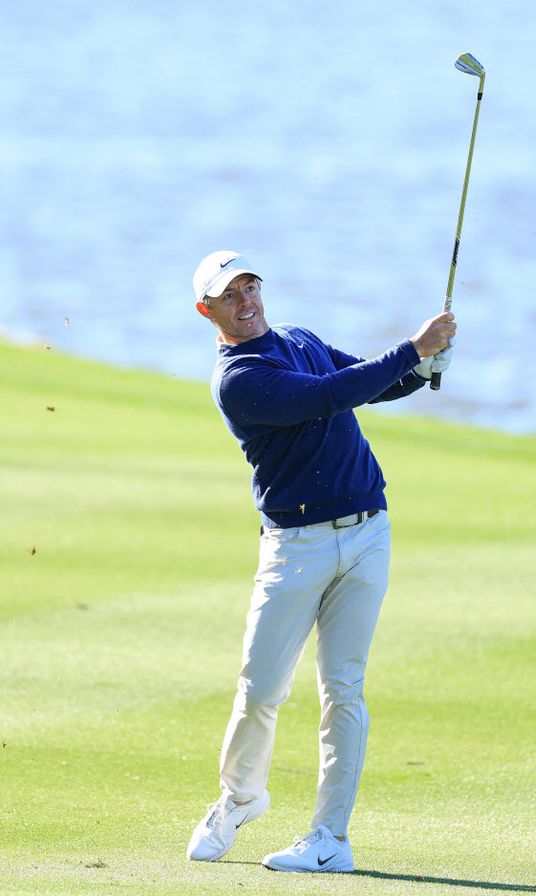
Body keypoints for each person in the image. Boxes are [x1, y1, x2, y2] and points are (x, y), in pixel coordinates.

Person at [186, 250, 456, 873]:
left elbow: (366, 380)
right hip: (295, 548)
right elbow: (327, 395)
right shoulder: (238, 379)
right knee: (261, 690)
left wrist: (422, 368)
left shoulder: (299, 338)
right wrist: (412, 349)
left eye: (251, 287)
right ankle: (241, 797)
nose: (246, 301)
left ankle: (330, 838)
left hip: (368, 533)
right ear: (207, 311)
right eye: (230, 296)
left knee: (345, 689)